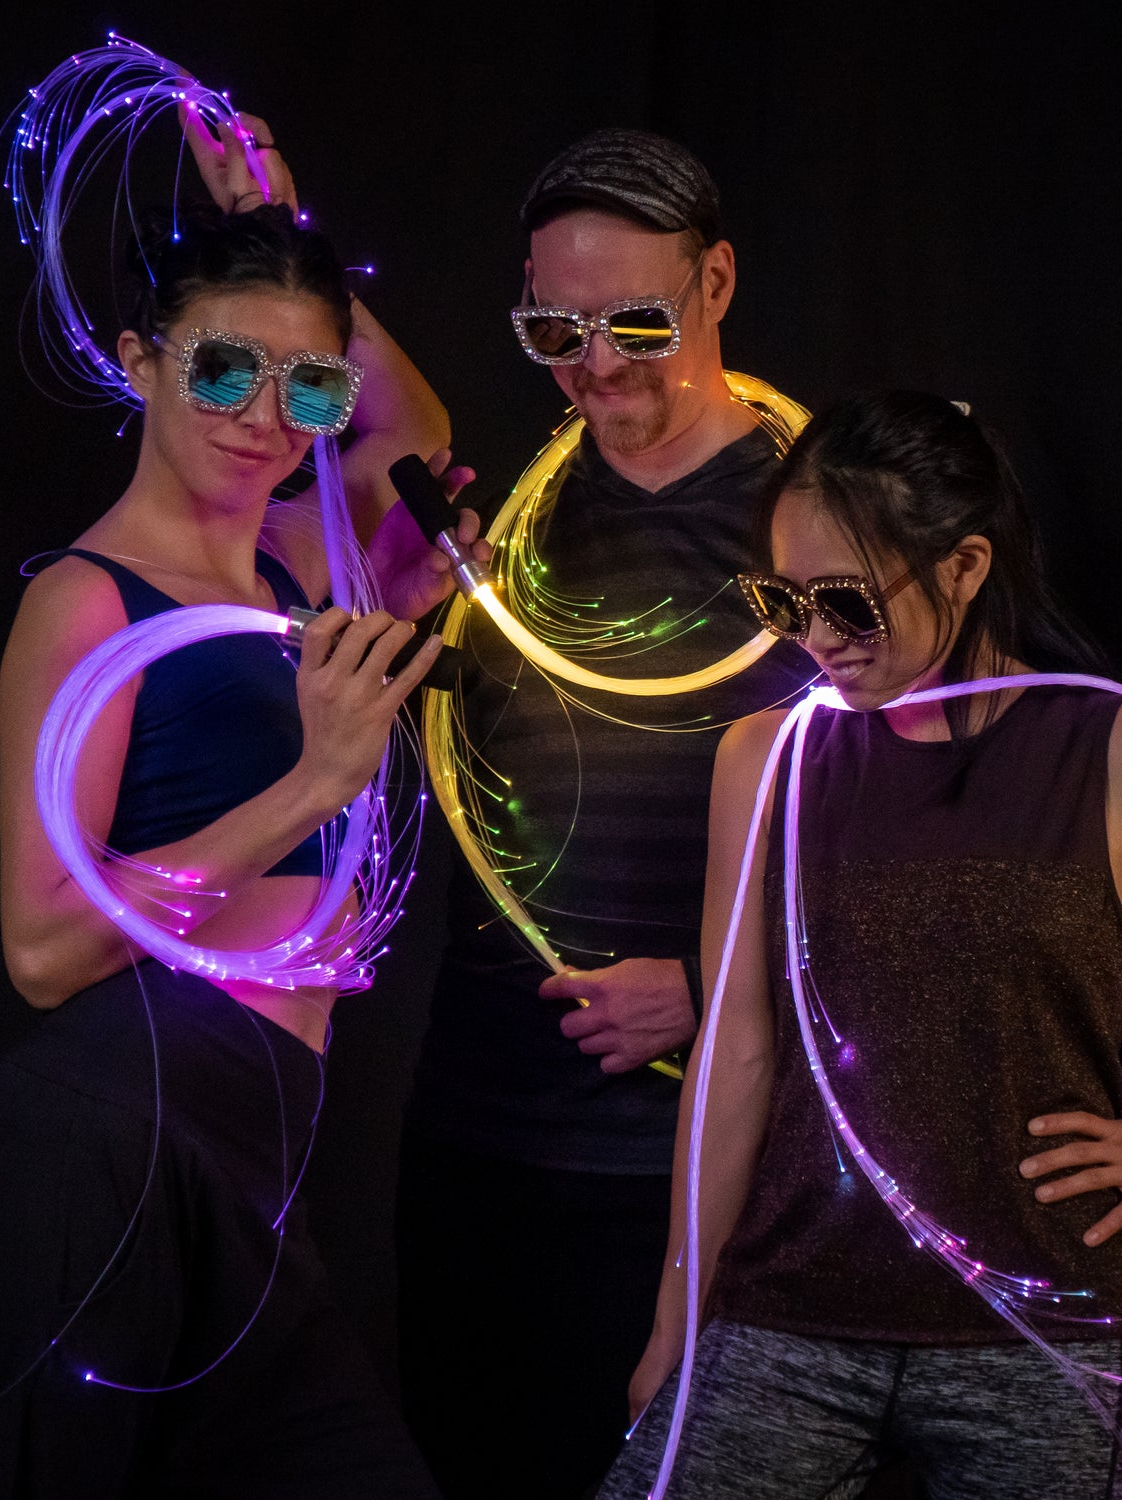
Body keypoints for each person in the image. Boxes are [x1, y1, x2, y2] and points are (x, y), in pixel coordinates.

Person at [599, 390, 1122, 1499]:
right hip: (788, 1318)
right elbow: (737, 1055)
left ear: (964, 569)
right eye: (784, 600)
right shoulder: (767, 759)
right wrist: (675, 1321)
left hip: (1043, 1341)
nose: (815, 640)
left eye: (849, 605)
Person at [0, 103, 485, 1499]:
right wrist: (317, 784)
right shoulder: (87, 601)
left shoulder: (295, 556)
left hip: (253, 1136)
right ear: (139, 360)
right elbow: (43, 953)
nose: (267, 420)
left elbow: (422, 422)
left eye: (307, 388)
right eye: (224, 371)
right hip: (105, 1134)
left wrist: (286, 217)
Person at [394, 129, 813, 1497]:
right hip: (481, 1150)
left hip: (702, 1167)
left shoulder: (823, 530)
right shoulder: (502, 535)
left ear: (719, 285)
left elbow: (933, 828)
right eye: (553, 327)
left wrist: (704, 989)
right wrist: (277, 216)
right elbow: (374, 421)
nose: (597, 364)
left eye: (636, 319)